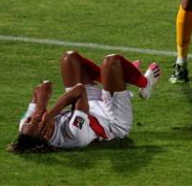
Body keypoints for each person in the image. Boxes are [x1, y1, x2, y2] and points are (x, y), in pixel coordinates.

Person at [8, 51, 160, 153]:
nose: (32, 119)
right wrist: (52, 113)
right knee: (112, 61)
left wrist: (39, 110)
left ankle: (118, 77)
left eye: (28, 120)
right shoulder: (73, 135)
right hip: (112, 120)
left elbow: (44, 85)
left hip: (87, 105)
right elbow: (80, 91)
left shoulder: (26, 128)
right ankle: (145, 84)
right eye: (35, 122)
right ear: (46, 135)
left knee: (69, 58)